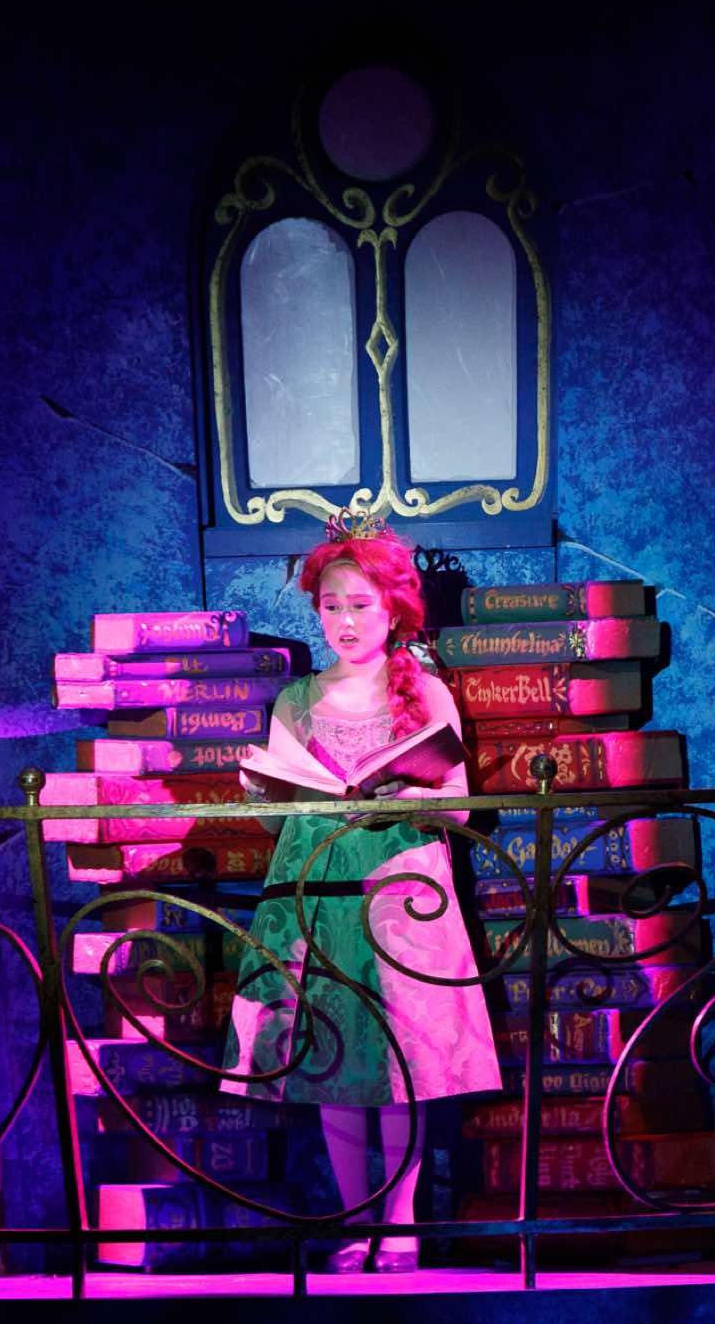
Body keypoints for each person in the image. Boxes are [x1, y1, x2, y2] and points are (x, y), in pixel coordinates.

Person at [221, 513, 500, 1274]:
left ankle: (400, 1219)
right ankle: (353, 1218)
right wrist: (265, 791)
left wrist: (406, 795)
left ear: (393, 610)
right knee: (332, 1059)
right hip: (319, 884)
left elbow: (461, 807)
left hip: (400, 887)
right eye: (331, 606)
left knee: (402, 1062)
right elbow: (279, 808)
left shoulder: (426, 692)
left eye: (360, 605)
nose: (344, 621)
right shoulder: (297, 698)